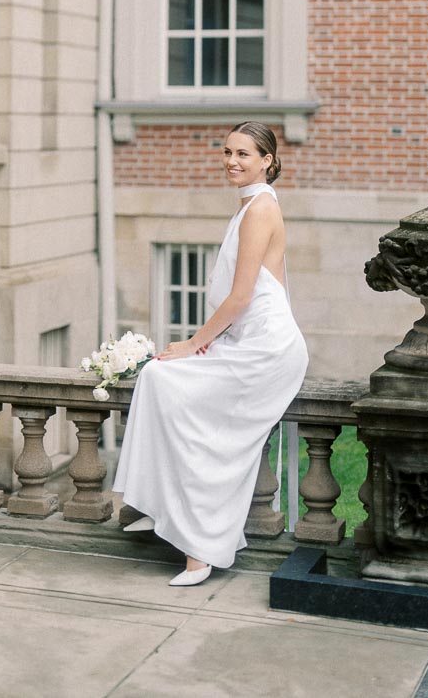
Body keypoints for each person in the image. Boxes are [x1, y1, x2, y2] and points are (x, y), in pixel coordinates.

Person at [113, 121, 308, 587]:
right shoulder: (248, 208)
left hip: (267, 350)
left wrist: (193, 343)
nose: (232, 161)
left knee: (208, 434)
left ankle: (199, 547)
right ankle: (159, 506)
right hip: (245, 342)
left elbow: (241, 296)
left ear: (268, 160)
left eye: (244, 154)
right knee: (158, 379)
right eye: (226, 152)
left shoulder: (261, 209)